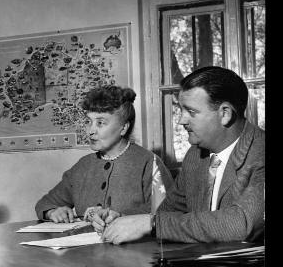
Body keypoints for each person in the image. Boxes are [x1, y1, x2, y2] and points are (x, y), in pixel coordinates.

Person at [90, 66, 265, 244]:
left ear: (225, 114)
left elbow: (242, 224)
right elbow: (168, 212)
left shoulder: (261, 152)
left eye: (191, 112)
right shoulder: (195, 156)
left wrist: (152, 224)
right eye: (182, 110)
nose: (181, 120)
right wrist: (124, 220)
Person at [35, 85, 173, 224]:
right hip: (87, 245)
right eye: (88, 121)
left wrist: (120, 216)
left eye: (100, 123)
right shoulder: (83, 166)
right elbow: (45, 204)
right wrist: (53, 212)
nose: (91, 131)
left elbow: (166, 212)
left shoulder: (149, 163)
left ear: (123, 128)